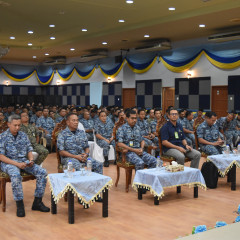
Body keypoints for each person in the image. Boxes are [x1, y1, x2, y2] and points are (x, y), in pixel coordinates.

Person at [0, 115, 49, 217]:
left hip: (24, 161)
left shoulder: (23, 135)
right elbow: (1, 156)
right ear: (8, 124)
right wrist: (17, 164)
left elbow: (29, 149)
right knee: (16, 175)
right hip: (9, 163)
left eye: (19, 125)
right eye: (15, 125)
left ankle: (37, 202)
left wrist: (31, 160)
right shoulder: (2, 137)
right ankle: (20, 204)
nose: (17, 128)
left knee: (42, 172)